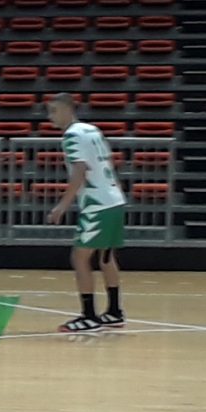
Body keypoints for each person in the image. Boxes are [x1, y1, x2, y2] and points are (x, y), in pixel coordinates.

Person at [47, 93, 129, 332]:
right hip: (114, 199)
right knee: (106, 257)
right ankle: (114, 312)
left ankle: (89, 316)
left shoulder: (72, 135)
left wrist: (62, 205)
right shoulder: (92, 130)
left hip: (97, 204)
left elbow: (80, 170)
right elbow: (107, 163)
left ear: (68, 109)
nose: (50, 117)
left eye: (54, 111)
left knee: (80, 257)